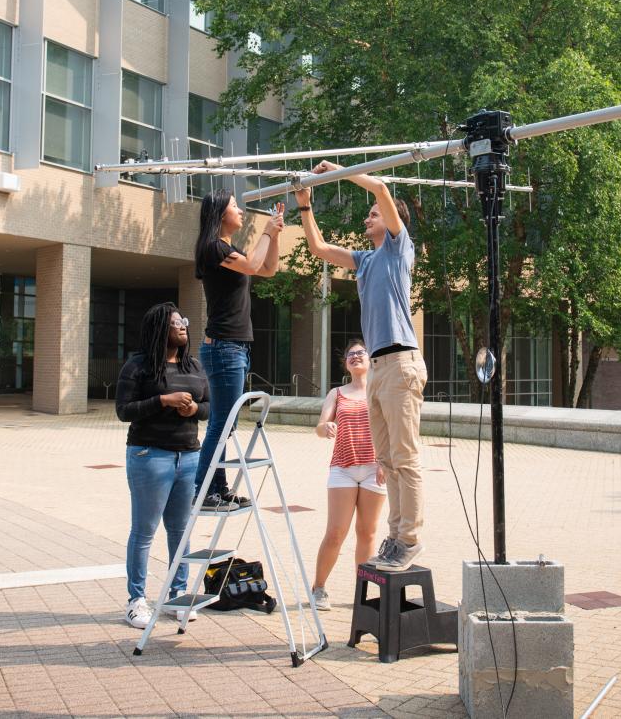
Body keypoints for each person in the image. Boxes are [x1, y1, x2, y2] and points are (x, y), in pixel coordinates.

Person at [295, 162, 427, 572]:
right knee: (385, 459)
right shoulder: (366, 260)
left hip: (402, 361)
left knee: (404, 457)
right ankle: (394, 537)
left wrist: (338, 171)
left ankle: (410, 538)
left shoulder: (398, 247)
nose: (366, 217)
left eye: (370, 214)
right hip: (379, 367)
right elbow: (318, 249)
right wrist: (305, 205)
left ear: (389, 223)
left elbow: (382, 190)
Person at [116, 302, 209, 630]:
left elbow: (208, 407)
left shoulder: (194, 365)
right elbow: (124, 410)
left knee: (180, 530)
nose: (183, 326)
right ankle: (136, 601)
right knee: (144, 531)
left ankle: (176, 595)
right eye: (175, 323)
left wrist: (194, 408)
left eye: (183, 320)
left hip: (189, 456)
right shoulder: (138, 365)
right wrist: (162, 401)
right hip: (149, 456)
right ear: (159, 329)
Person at [193, 191, 285, 511]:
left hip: (233, 348)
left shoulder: (227, 249)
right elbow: (253, 265)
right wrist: (266, 231)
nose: (241, 211)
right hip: (224, 347)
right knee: (221, 422)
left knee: (226, 423)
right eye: (235, 206)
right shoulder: (214, 248)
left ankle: (216, 488)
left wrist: (274, 237)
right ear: (220, 213)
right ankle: (203, 491)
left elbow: (268, 268)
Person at [310, 339, 385, 610]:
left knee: (367, 533)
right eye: (350, 354)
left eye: (360, 353)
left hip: (375, 469)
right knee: (336, 532)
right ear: (346, 363)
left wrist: (386, 463)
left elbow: (390, 429)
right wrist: (326, 427)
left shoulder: (380, 391)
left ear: (370, 359)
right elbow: (320, 426)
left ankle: (362, 593)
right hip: (343, 467)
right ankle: (318, 588)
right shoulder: (337, 393)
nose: (355, 356)